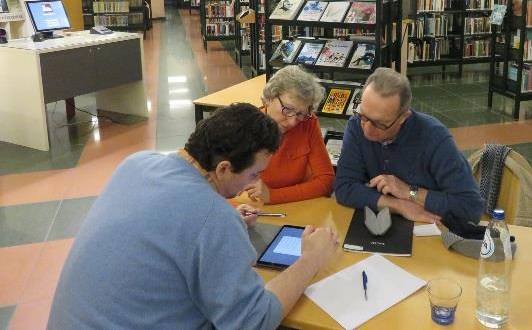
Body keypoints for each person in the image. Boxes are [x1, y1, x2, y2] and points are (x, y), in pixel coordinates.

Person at [48, 103, 339, 330]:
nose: (254, 183)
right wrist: (310, 260)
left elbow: (168, 224)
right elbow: (254, 320)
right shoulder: (214, 219)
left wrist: (227, 223)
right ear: (223, 169)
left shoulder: (136, 163)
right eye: (254, 174)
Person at [334, 68, 485, 234]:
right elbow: (344, 187)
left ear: (403, 118)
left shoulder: (434, 137)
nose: (367, 130)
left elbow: (471, 209)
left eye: (380, 124)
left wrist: (409, 192)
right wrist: (398, 205)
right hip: (378, 226)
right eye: (363, 116)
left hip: (430, 232)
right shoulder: (356, 126)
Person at [243, 65, 335, 204]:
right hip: (253, 206)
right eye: (287, 109)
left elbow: (326, 181)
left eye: (300, 114)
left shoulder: (308, 123)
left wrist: (273, 196)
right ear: (269, 98)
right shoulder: (245, 125)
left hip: (298, 207)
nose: (293, 122)